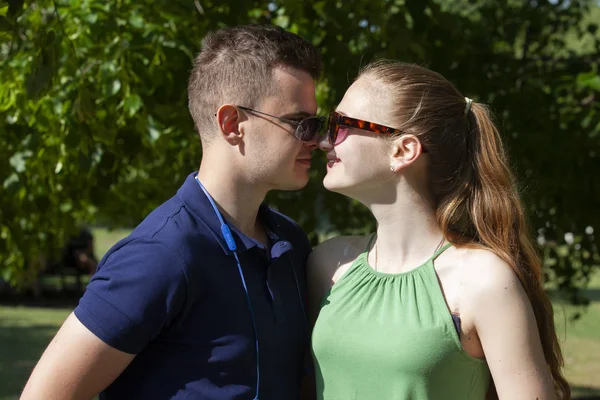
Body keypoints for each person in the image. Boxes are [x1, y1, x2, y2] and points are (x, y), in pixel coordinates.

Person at [21, 24, 324, 400]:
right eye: (300, 123)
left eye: (316, 124)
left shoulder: (290, 242)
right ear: (232, 125)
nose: (317, 139)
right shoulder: (161, 253)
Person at [308, 61, 570, 399]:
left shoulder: (482, 280)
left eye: (340, 125)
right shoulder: (328, 265)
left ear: (404, 150)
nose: (323, 141)